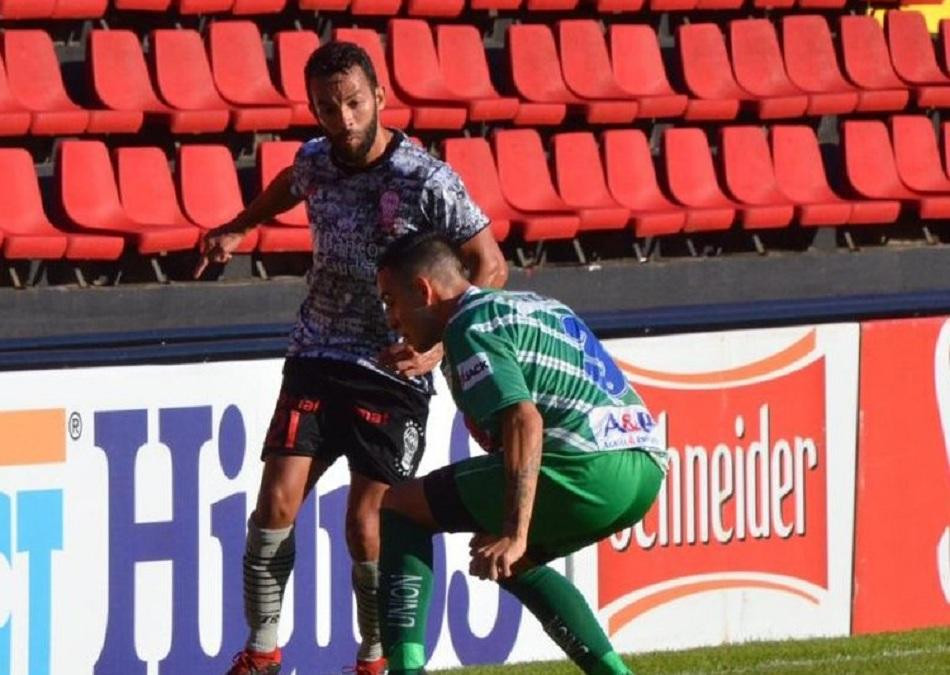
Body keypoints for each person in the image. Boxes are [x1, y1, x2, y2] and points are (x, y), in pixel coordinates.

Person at [196, 42, 507, 675]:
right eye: (327, 107)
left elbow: (491, 265)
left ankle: (373, 659)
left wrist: (442, 342)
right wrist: (238, 225)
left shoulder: (426, 178)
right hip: (316, 350)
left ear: (380, 97)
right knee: (275, 503)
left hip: (392, 367)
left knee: (367, 524)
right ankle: (261, 652)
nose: (343, 119)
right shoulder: (316, 161)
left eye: (353, 103)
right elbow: (289, 184)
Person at [374, 231, 667, 675]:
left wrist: (516, 528)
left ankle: (404, 670)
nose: (391, 318)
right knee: (514, 562)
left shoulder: (468, 329)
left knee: (400, 506)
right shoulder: (534, 305)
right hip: (644, 467)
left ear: (423, 291)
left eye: (391, 301)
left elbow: (522, 420)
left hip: (586, 469)